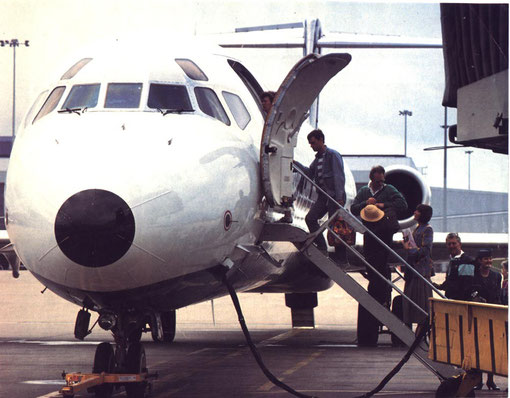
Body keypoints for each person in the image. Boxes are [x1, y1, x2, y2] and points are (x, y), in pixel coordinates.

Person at [293, 129, 346, 260]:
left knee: (336, 227)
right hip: (323, 197)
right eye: (310, 143)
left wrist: (339, 197)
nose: (311, 146)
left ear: (321, 140)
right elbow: (309, 173)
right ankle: (322, 247)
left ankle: (342, 258)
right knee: (310, 218)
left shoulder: (332, 155)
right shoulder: (317, 160)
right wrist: (295, 164)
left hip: (334, 197)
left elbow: (338, 177)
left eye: (313, 143)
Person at [356, 204, 394, 346]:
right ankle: (384, 306)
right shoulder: (384, 229)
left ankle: (371, 323)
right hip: (380, 264)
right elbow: (394, 226)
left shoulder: (368, 231)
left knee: (374, 289)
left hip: (372, 264)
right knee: (380, 286)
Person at [471, 249, 502, 391]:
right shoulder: (474, 275)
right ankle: (478, 380)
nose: (489, 261)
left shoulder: (496, 276)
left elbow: (499, 296)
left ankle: (490, 380)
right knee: (478, 349)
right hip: (478, 316)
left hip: (494, 316)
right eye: (485, 259)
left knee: (492, 350)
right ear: (479, 261)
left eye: (490, 258)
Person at [402, 204, 434, 336]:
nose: (414, 212)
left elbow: (425, 250)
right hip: (413, 271)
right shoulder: (417, 229)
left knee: (422, 304)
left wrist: (409, 249)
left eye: (417, 211)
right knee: (410, 303)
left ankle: (419, 334)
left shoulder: (427, 229)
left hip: (420, 272)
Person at [433, 233, 475, 300]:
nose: (451, 246)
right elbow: (451, 282)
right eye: (449, 244)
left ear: (460, 244)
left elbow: (467, 286)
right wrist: (436, 285)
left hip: (460, 304)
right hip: (450, 302)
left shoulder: (467, 261)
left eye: (454, 243)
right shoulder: (453, 261)